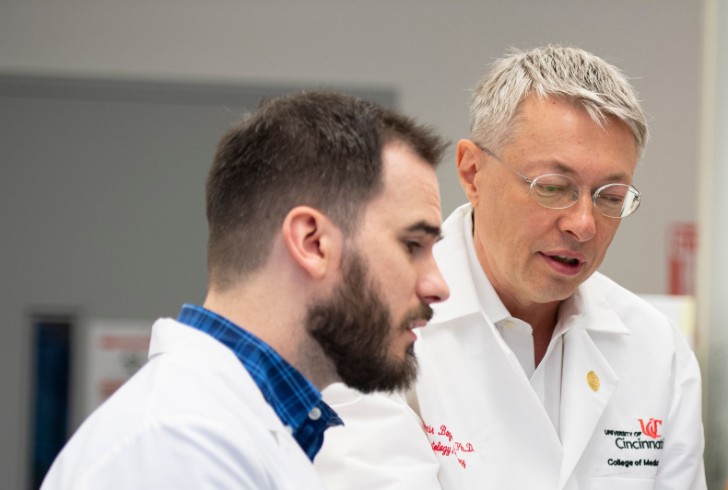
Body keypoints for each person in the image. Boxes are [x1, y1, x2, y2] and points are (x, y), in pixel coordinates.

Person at [316, 45, 706, 489]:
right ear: (472, 172)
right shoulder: (371, 325)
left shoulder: (657, 349)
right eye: (554, 187)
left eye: (611, 197)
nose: (583, 224)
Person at [41, 91, 451, 489]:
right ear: (312, 243)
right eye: (412, 245)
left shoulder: (256, 433)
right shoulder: (179, 446)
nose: (439, 286)